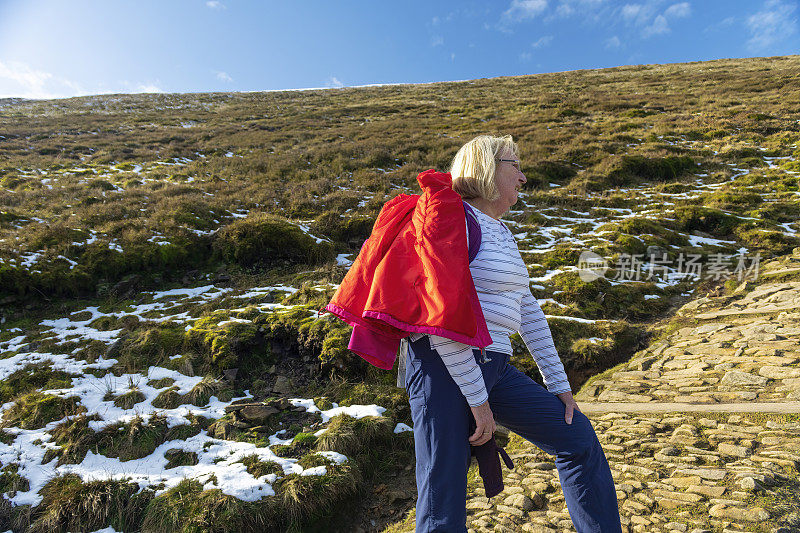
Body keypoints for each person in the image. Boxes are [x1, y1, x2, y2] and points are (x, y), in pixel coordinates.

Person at [404, 134, 622, 532]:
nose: (523, 178)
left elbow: (528, 310)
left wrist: (559, 385)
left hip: (495, 365)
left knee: (577, 438)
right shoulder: (450, 221)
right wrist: (477, 400)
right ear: (486, 168)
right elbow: (439, 316)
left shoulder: (500, 231)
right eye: (515, 165)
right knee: (442, 497)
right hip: (444, 367)